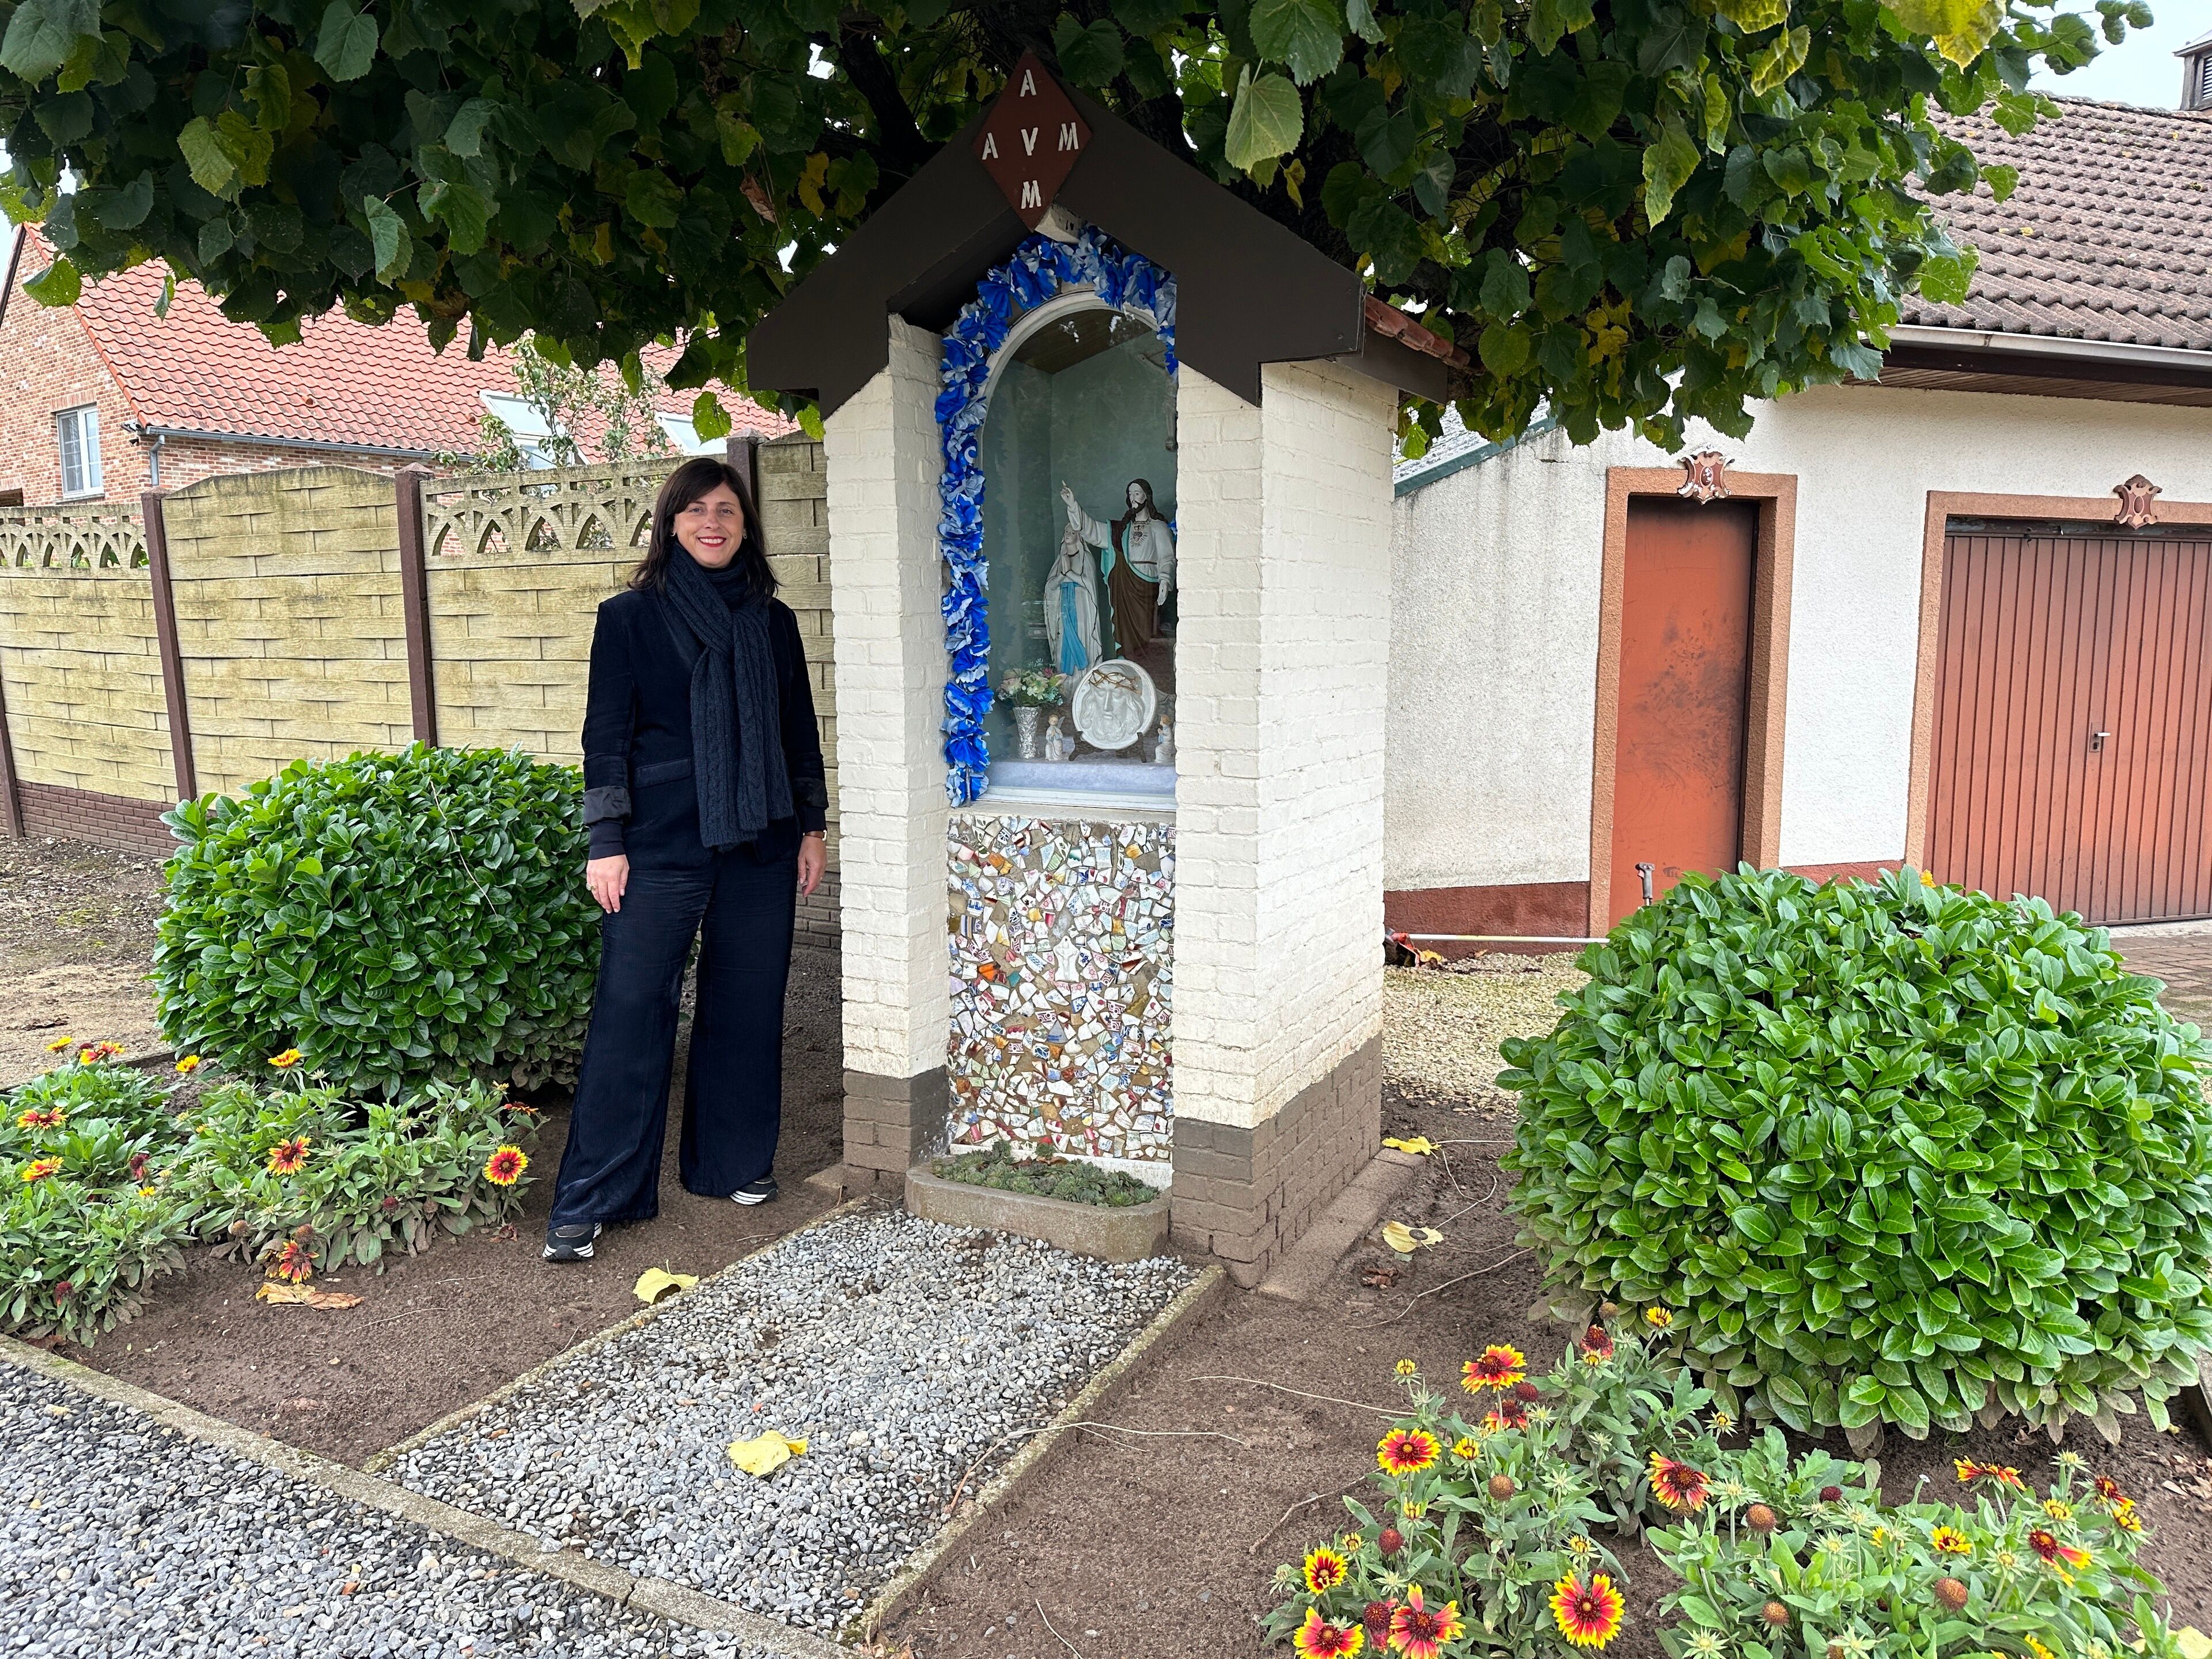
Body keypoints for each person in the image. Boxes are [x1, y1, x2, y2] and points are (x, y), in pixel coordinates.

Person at [543, 456, 828, 1264]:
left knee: (747, 1006)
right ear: (670, 524)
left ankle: (732, 1164)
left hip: (761, 840)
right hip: (659, 844)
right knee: (632, 1011)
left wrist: (811, 826)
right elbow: (606, 738)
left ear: (745, 526)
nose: (713, 522)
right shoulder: (629, 618)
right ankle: (596, 1195)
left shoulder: (774, 622)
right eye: (697, 510)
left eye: (727, 510)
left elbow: (797, 730)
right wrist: (606, 842)